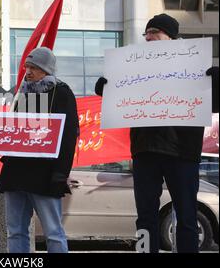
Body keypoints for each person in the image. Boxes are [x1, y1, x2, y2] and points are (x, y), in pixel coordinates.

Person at [94, 13, 219, 253]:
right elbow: (113, 99)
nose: (149, 37)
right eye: (147, 34)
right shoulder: (133, 67)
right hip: (145, 152)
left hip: (182, 153)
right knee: (144, 218)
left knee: (186, 216)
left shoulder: (194, 66)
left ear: (172, 38)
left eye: (155, 33)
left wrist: (214, 80)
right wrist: (108, 85)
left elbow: (214, 103)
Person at [0, 47, 79, 253]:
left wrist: (61, 173)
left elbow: (68, 136)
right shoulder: (23, 93)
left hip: (45, 175)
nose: (28, 72)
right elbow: (14, 130)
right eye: (27, 67)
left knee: (53, 232)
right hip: (16, 174)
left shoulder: (62, 93)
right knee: (15, 231)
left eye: (34, 67)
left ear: (47, 69)